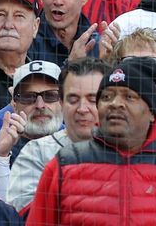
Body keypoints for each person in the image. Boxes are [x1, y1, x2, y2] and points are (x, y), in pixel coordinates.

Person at [25, 55, 156, 225]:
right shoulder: (64, 165)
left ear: (152, 112)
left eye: (129, 97)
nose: (115, 104)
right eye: (107, 96)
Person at [7, 59, 105, 210]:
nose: (40, 105)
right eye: (28, 97)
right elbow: (26, 216)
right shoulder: (31, 151)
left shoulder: (130, 147)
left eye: (50, 96)